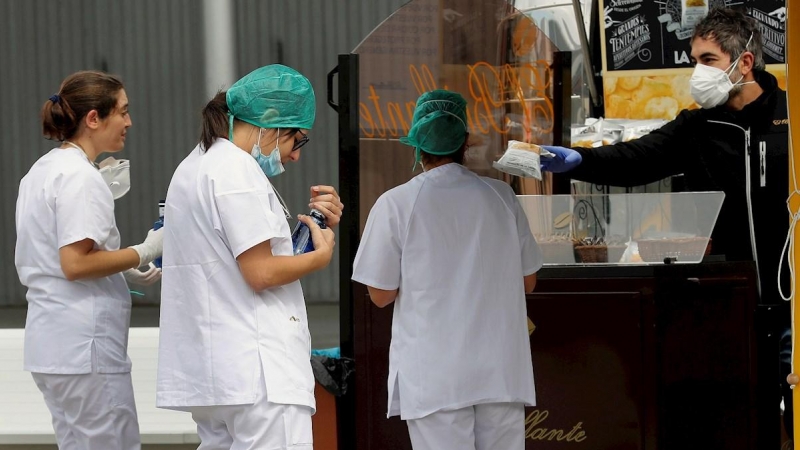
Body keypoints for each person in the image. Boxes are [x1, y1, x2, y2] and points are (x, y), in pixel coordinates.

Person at [540, 7, 791, 441]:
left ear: (743, 62)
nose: (697, 71)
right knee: (733, 418)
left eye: (708, 60)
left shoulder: (793, 115)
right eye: (694, 59)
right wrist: (580, 159)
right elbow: (636, 158)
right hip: (723, 294)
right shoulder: (696, 126)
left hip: (793, 300)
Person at [156, 64, 343, 449]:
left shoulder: (193, 167)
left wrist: (313, 232)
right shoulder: (237, 172)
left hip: (216, 375)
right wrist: (320, 255)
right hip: (259, 375)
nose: (295, 157)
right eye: (298, 141)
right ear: (272, 122)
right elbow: (260, 272)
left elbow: (236, 262)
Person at [351, 89, 543, 450]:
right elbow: (528, 282)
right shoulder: (502, 197)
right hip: (499, 369)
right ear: (466, 142)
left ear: (417, 144)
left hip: (434, 375)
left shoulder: (395, 204)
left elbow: (379, 295)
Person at [15, 70, 164, 450]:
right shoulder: (80, 177)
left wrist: (124, 269)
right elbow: (76, 265)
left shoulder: (42, 171)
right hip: (85, 348)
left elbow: (59, 258)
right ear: (93, 118)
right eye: (122, 112)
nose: (129, 122)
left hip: (53, 344)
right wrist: (146, 249)